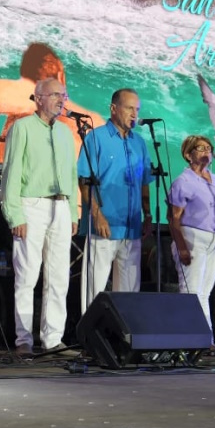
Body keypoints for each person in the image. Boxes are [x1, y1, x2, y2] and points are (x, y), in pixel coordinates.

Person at [0, 78, 80, 357]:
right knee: (27, 275)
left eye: (63, 95)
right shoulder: (21, 127)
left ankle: (53, 339)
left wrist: (72, 211)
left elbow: (71, 173)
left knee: (59, 276)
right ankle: (24, 340)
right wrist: (14, 214)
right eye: (55, 95)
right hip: (31, 204)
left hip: (60, 205)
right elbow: (10, 173)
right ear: (38, 98)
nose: (61, 100)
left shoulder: (64, 132)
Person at [77, 88, 154, 302]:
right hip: (104, 226)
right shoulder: (96, 137)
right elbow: (84, 180)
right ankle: (89, 334)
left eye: (137, 109)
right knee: (94, 289)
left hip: (132, 228)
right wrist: (97, 214)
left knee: (129, 294)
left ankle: (123, 335)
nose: (134, 114)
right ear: (113, 108)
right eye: (129, 108)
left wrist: (147, 215)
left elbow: (145, 181)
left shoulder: (138, 142)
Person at [168, 135, 215, 345]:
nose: (207, 151)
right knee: (191, 292)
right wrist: (181, 247)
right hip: (193, 238)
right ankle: (187, 341)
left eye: (208, 147)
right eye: (200, 148)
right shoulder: (184, 181)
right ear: (188, 155)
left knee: (205, 292)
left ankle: (205, 341)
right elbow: (174, 217)